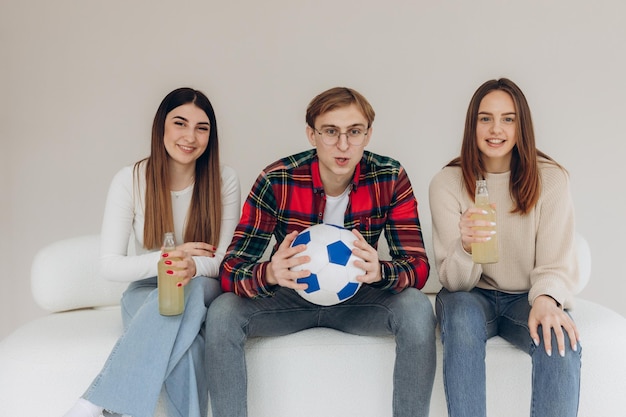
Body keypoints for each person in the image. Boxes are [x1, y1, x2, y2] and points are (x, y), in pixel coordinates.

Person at [205, 86, 436, 417]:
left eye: (354, 132)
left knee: (416, 307)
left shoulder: (389, 176)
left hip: (359, 299)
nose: (343, 145)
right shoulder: (277, 179)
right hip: (290, 299)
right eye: (331, 132)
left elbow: (418, 266)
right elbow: (230, 268)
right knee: (224, 311)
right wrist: (269, 272)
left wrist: (381, 270)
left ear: (368, 135)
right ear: (311, 134)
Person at [63, 87, 241, 417]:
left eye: (202, 128)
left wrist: (189, 265)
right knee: (188, 348)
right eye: (180, 123)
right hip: (148, 287)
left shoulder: (224, 179)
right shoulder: (130, 180)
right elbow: (110, 266)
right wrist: (168, 258)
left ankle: (96, 402)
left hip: (203, 285)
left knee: (186, 288)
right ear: (161, 127)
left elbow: (226, 261)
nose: (190, 136)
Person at [429, 78, 582, 417]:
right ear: (473, 125)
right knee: (461, 318)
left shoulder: (552, 179)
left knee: (559, 341)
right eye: (485, 118)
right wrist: (466, 246)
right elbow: (453, 282)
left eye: (508, 118)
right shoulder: (447, 183)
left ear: (521, 126)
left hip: (526, 297)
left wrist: (545, 300)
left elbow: (556, 262)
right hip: (471, 295)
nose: (495, 129)